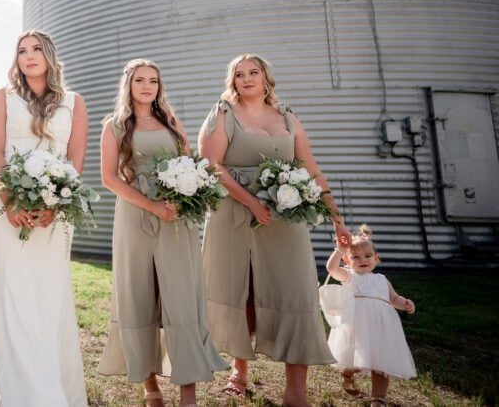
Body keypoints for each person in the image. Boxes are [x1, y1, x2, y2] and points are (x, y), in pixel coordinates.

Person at [199, 53, 351, 407]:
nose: (247, 78)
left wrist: (338, 221)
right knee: (243, 289)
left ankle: (296, 392)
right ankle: (238, 372)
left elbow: (310, 167)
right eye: (239, 74)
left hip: (286, 219)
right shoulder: (222, 114)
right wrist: (252, 203)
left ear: (266, 78)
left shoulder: (288, 117)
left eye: (254, 72)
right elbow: (210, 164)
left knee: (295, 293)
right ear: (232, 81)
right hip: (234, 215)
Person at [97, 59, 228, 407]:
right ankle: (150, 386)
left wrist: (187, 198)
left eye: (153, 81)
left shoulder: (171, 123)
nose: (147, 86)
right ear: (128, 85)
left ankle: (188, 391)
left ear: (159, 86)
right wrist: (152, 205)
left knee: (182, 295)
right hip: (135, 217)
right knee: (139, 294)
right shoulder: (114, 126)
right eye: (139, 80)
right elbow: (108, 178)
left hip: (177, 218)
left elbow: (192, 165)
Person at [0, 29, 89, 407]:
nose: (29, 56)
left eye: (37, 49)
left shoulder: (74, 102)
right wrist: (11, 202)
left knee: (50, 292)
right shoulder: (1, 98)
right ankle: (21, 391)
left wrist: (56, 203)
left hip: (57, 211)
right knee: (15, 290)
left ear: (50, 56)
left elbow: (75, 160)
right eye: (22, 51)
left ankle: (53, 378)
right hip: (8, 210)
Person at [326, 224, 416, 404]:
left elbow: (393, 298)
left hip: (381, 327)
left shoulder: (382, 279)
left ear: (376, 258)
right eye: (356, 257)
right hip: (357, 326)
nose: (362, 260)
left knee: (382, 363)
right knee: (356, 358)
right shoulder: (350, 276)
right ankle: (348, 372)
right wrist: (339, 250)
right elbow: (331, 269)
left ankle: (378, 398)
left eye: (367, 256)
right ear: (347, 260)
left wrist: (404, 303)